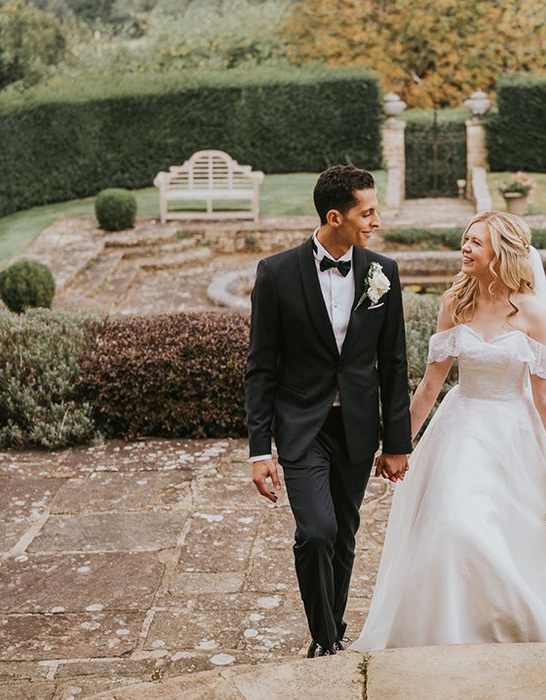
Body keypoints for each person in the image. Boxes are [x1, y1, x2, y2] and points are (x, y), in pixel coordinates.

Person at [352, 210, 546, 649]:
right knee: (454, 525)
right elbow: (431, 382)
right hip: (462, 427)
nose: (464, 248)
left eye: (475, 243)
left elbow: (545, 395)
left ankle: (506, 627)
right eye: (464, 240)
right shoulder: (454, 303)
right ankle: (453, 632)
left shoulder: (532, 313)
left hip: (513, 433)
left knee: (513, 538)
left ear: (500, 253)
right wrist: (397, 443)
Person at [244, 165, 413, 658]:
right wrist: (260, 450)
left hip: (357, 429)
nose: (376, 220)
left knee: (343, 533)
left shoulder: (384, 273)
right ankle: (323, 637)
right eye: (368, 212)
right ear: (335, 216)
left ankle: (332, 631)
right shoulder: (275, 274)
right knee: (316, 532)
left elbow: (394, 362)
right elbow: (260, 369)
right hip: (301, 428)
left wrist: (397, 442)